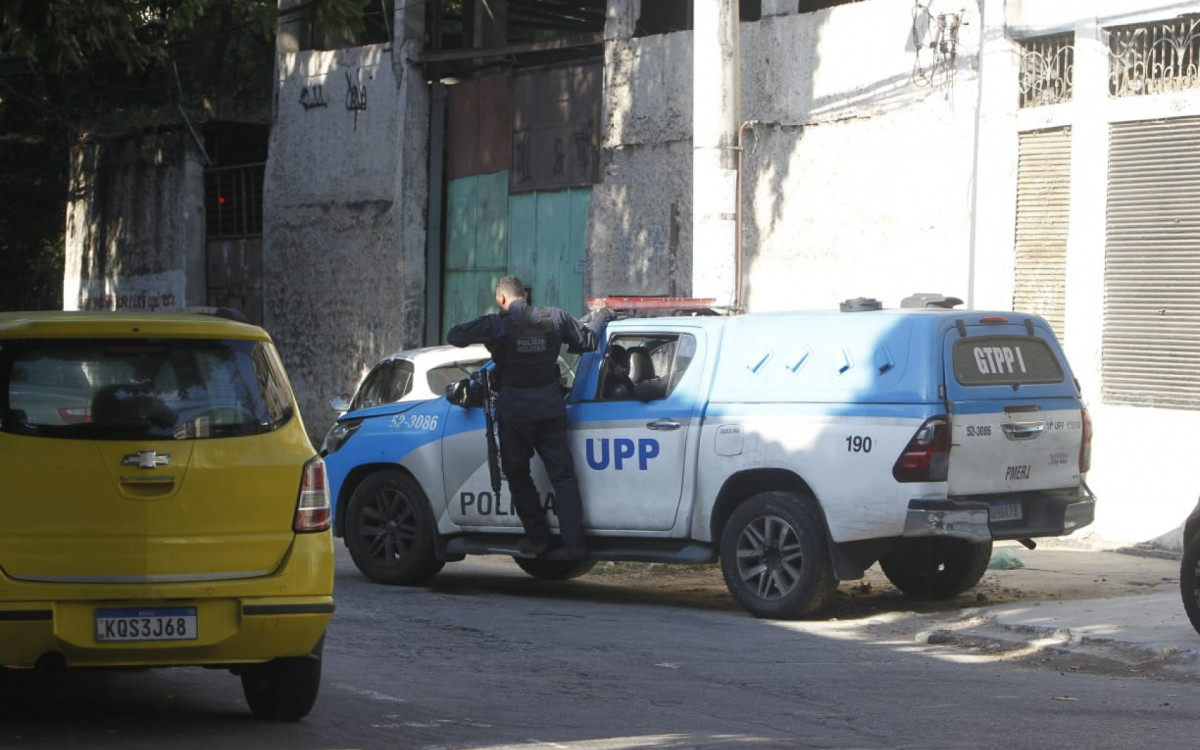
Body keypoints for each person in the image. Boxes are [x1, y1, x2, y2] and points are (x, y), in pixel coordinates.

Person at [447, 276, 613, 559]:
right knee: (563, 476)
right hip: (550, 409)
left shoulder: (498, 325)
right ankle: (574, 544)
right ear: (526, 295)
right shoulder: (556, 317)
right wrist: (601, 315)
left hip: (515, 414)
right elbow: (588, 340)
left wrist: (490, 327)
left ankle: (538, 539)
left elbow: (455, 335)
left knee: (517, 474)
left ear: (502, 299)